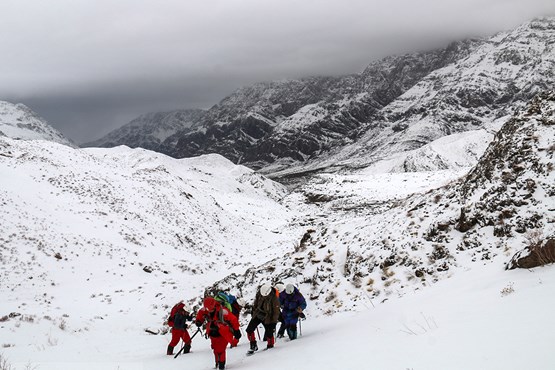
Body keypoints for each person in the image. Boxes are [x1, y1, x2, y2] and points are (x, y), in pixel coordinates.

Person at [195, 296, 241, 370]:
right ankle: (218, 364)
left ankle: (221, 366)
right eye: (209, 310)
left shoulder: (223, 311)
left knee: (221, 350)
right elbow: (201, 313)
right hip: (213, 333)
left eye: (211, 309)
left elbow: (233, 319)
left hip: (223, 333)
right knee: (215, 349)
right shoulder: (206, 309)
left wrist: (236, 330)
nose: (210, 311)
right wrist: (198, 321)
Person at [245, 283, 280, 354]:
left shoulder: (274, 298)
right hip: (258, 314)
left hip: (268, 317)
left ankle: (270, 345)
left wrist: (273, 322)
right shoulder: (260, 293)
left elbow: (276, 311)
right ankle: (253, 345)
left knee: (269, 332)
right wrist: (253, 311)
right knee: (249, 330)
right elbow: (256, 303)